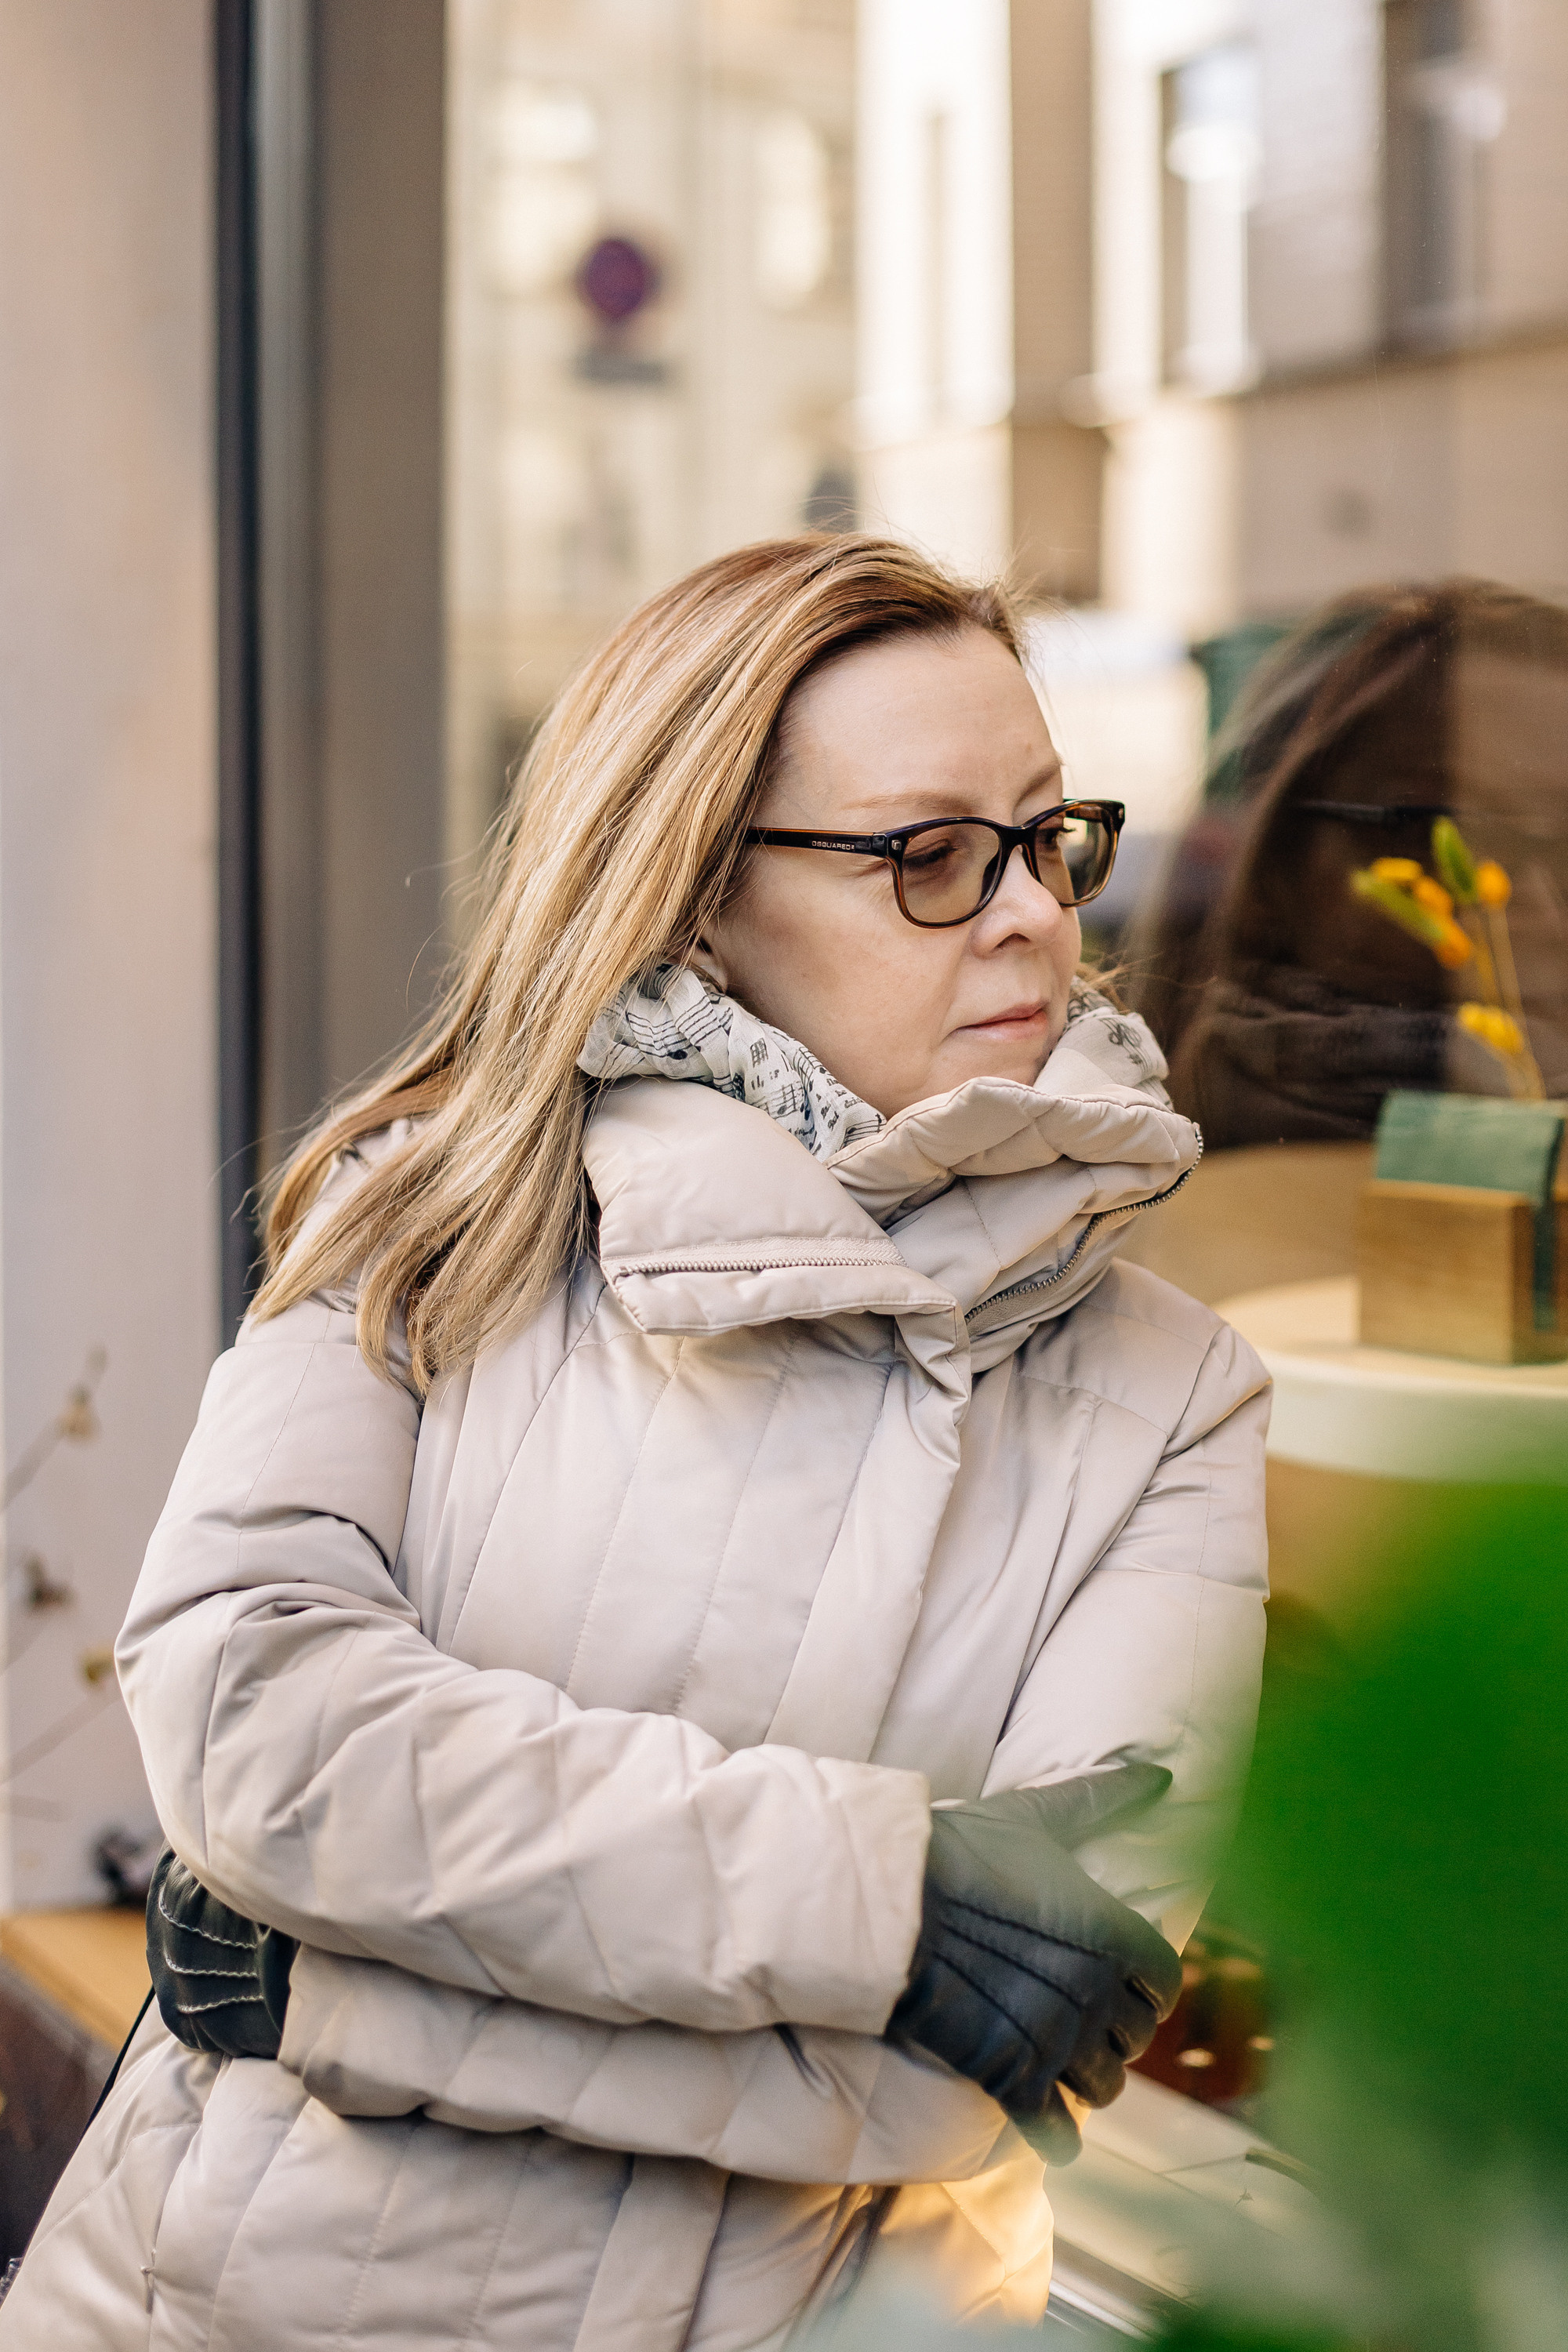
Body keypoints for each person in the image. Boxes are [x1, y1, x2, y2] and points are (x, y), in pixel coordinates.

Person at [4, 538, 1269, 2350]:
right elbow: (256, 1727)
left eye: (1046, 834)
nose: (1026, 915)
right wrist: (890, 1899)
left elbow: (987, 2069)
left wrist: (329, 1990)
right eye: (926, 855)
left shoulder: (1170, 1397)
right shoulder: (430, 1222)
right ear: (692, 894)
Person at [1131, 579, 1568, 1147]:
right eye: (1436, 830)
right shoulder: (1165, 1167)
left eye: (1563, 845)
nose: (1537, 906)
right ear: (1277, 866)